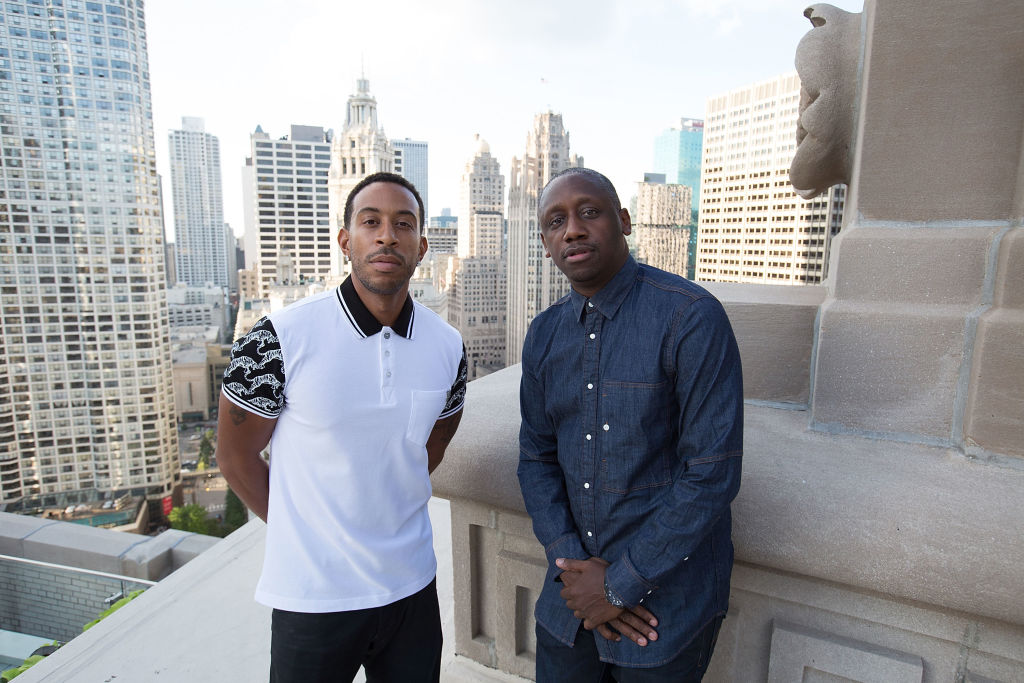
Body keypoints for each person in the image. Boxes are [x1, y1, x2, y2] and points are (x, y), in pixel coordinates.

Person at [217, 172, 467, 683]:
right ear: (345, 240)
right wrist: (304, 530)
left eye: (403, 224)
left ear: (422, 247)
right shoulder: (277, 337)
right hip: (314, 596)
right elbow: (234, 456)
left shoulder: (448, 345)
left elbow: (432, 444)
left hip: (412, 589)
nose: (386, 236)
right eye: (370, 222)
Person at [517, 167, 743, 682]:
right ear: (546, 244)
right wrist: (573, 569)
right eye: (555, 222)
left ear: (623, 221)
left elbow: (712, 473)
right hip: (569, 605)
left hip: (665, 611)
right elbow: (536, 458)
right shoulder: (544, 335)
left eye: (589, 212)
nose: (573, 230)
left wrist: (619, 585)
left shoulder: (691, 317)